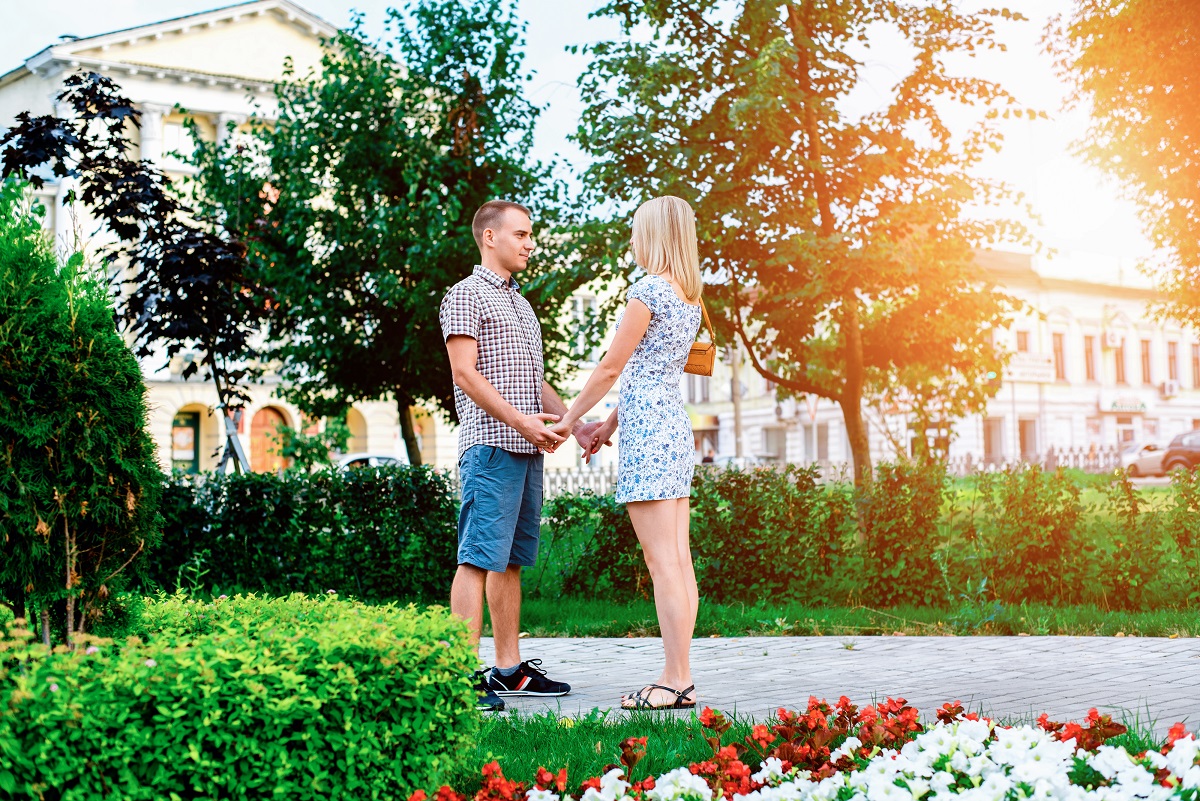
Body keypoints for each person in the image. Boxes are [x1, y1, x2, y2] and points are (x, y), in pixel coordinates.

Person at [440, 199, 604, 712]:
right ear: (490, 237)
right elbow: (464, 373)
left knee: (509, 562)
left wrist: (574, 426)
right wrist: (518, 422)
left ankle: (509, 671)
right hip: (490, 446)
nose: (530, 243)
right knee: (475, 558)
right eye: (522, 234)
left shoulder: (521, 304)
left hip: (527, 447)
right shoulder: (464, 296)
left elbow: (533, 382)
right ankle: (459, 677)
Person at [550, 195, 703, 710]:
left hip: (651, 436)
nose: (632, 241)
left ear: (655, 235)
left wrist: (570, 422)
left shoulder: (648, 290)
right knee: (678, 561)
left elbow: (612, 368)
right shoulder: (689, 296)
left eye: (637, 231)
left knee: (662, 563)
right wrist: (605, 425)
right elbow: (647, 373)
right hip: (669, 426)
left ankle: (674, 679)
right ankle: (679, 675)